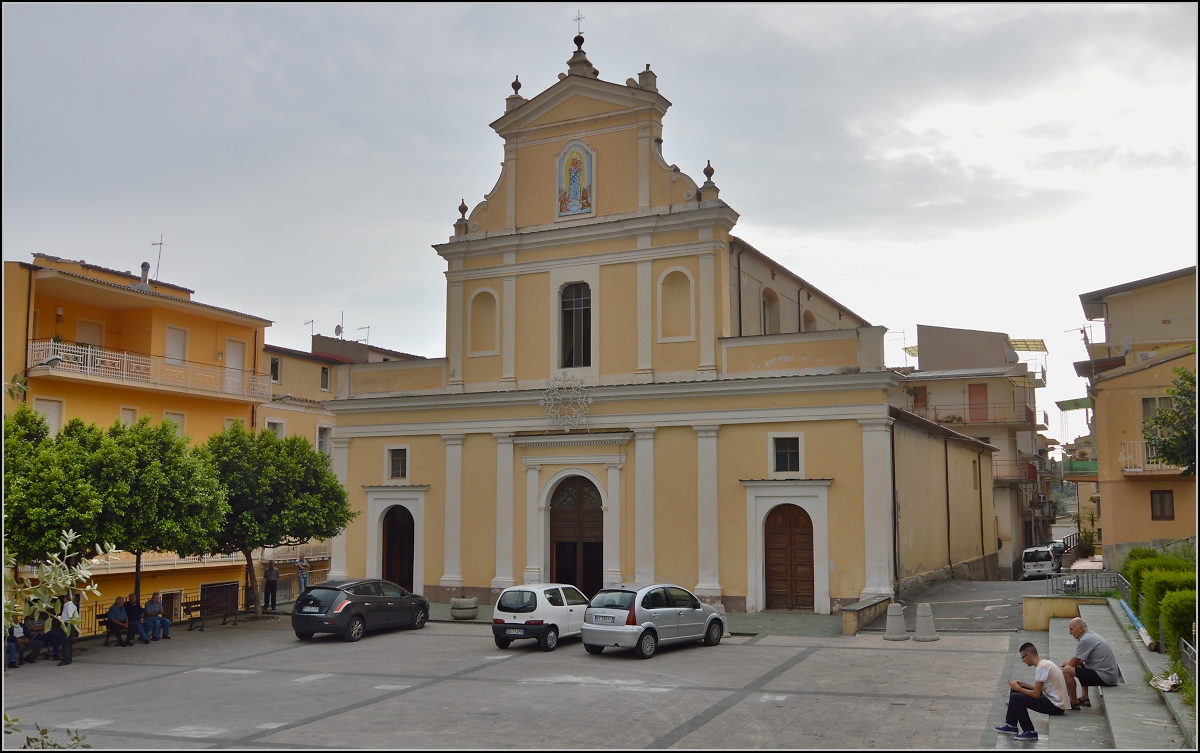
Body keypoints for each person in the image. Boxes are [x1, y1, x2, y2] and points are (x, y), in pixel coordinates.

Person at [995, 642, 1070, 741]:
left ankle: (1030, 731)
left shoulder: (1041, 667)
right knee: (1014, 689)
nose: (1023, 661)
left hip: (1055, 706)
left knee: (1015, 697)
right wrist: (1024, 685)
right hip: (1051, 700)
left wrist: (1018, 689)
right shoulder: (1045, 663)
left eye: (1023, 658)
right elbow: (1040, 690)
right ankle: (1011, 725)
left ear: (1029, 655)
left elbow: (1036, 694)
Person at [1062, 617, 1119, 708]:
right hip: (1108, 675)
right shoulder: (1089, 635)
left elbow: (1072, 663)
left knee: (1067, 670)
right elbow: (1078, 661)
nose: (1070, 632)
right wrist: (1070, 663)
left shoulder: (1086, 639)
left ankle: (1073, 701)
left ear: (1080, 629)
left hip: (1105, 677)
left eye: (1071, 629)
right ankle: (1084, 698)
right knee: (1079, 665)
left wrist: (1067, 664)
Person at [55, 593, 78, 666]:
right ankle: (68, 658)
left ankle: (66, 659)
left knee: (66, 642)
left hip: (67, 624)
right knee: (68, 642)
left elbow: (72, 616)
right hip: (68, 624)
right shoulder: (72, 605)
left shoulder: (69, 606)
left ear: (66, 598)